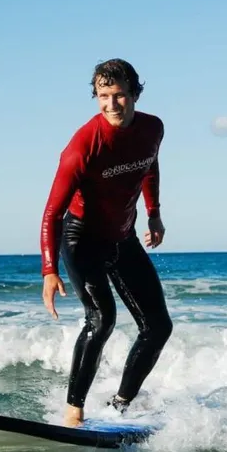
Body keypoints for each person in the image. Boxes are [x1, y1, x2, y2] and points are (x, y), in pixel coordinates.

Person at [40, 58, 173, 427]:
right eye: (102, 96)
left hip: (123, 236)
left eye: (118, 95)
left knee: (158, 327)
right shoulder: (83, 147)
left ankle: (121, 404)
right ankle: (73, 413)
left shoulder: (153, 128)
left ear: (134, 94)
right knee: (102, 319)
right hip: (82, 238)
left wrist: (154, 212)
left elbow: (149, 164)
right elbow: (52, 213)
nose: (111, 104)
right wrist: (49, 270)